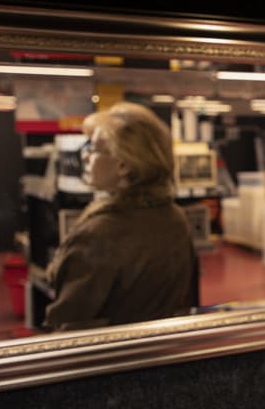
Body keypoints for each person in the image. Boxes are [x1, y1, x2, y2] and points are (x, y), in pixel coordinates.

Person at [44, 101, 198, 331]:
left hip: (111, 351)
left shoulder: (98, 234)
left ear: (123, 164)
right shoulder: (176, 217)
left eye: (94, 148)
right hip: (162, 345)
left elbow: (68, 323)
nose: (85, 156)